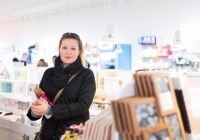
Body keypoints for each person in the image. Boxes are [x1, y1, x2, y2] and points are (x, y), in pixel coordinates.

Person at [27, 32, 96, 140]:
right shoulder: (48, 73)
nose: (68, 51)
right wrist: (35, 111)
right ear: (59, 50)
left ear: (79, 51)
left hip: (73, 134)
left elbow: (82, 106)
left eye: (73, 48)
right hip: (47, 133)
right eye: (64, 47)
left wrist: (50, 110)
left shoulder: (86, 75)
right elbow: (42, 99)